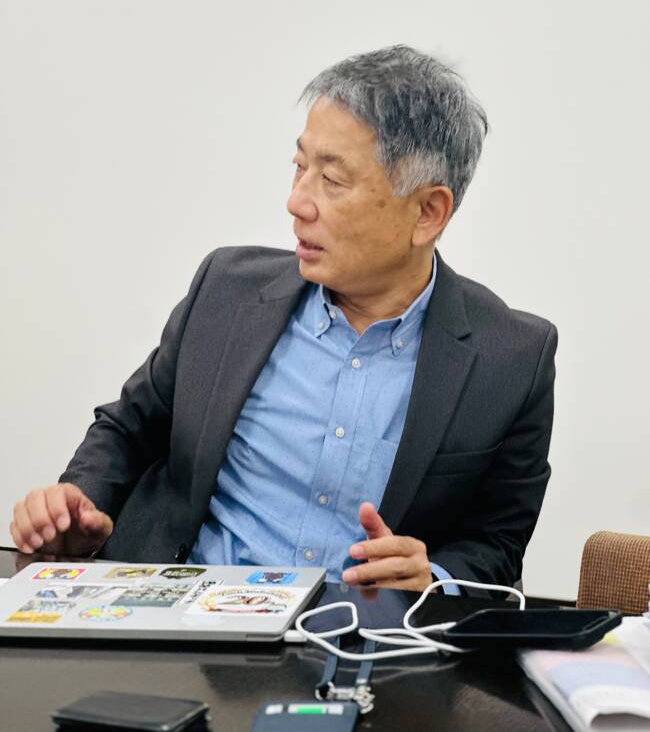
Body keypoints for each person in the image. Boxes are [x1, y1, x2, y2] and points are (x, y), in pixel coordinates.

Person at [10, 45, 557, 592]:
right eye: (300, 167)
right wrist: (78, 505)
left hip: (355, 632)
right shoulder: (226, 290)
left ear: (427, 212)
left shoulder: (511, 360)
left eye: (332, 180)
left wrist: (432, 578)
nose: (297, 202)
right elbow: (130, 427)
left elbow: (498, 543)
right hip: (181, 613)